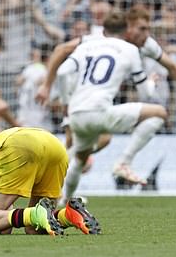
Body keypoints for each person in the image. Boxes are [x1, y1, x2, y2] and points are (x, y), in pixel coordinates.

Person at [39, 12, 168, 202]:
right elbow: (145, 95)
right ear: (125, 32)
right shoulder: (129, 48)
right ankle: (124, 162)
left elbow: (63, 71)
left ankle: (64, 201)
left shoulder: (86, 46)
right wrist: (150, 83)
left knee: (80, 158)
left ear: (103, 31)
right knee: (159, 113)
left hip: (76, 114)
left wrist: (66, 104)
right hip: (99, 111)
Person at [0, 127, 100, 236]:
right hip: (54, 146)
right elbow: (4, 227)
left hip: (20, 144)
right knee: (33, 228)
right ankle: (68, 215)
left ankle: (37, 213)